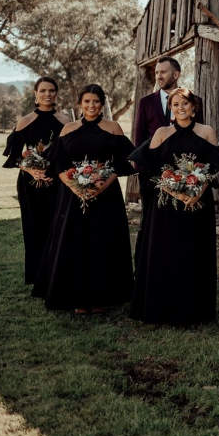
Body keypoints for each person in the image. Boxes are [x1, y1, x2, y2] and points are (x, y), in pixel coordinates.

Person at [34, 84, 134, 313]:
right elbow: (58, 163)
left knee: (102, 243)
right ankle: (76, 297)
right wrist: (75, 187)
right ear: (80, 103)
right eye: (87, 101)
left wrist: (100, 187)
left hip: (106, 196)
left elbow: (121, 164)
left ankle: (103, 297)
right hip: (71, 198)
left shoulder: (113, 128)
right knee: (75, 243)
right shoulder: (68, 129)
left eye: (96, 102)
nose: (91, 106)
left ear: (102, 104)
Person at [129, 88, 219, 325]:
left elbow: (214, 167)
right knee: (166, 255)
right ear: (170, 108)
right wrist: (176, 192)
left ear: (194, 107)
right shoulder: (161, 132)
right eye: (175, 104)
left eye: (185, 103)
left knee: (194, 254)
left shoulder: (207, 132)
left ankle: (194, 311)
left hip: (198, 206)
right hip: (166, 206)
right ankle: (164, 308)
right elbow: (149, 167)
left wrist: (197, 192)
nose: (180, 108)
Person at [131, 56, 204, 295]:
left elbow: (196, 141)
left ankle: (179, 277)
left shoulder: (195, 102)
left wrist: (186, 176)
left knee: (179, 227)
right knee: (149, 225)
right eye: (156, 72)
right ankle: (143, 275)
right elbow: (139, 140)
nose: (159, 76)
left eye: (163, 72)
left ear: (176, 74)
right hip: (152, 178)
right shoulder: (146, 103)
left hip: (184, 179)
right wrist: (149, 174)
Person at [1, 76, 70, 285]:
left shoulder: (66, 121)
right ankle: (36, 276)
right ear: (35, 94)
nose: (47, 94)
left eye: (51, 91)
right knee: (33, 229)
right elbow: (13, 158)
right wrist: (31, 170)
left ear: (56, 94)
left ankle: (55, 275)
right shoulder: (25, 121)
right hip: (30, 185)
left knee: (57, 228)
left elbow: (69, 153)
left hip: (59, 183)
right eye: (43, 90)